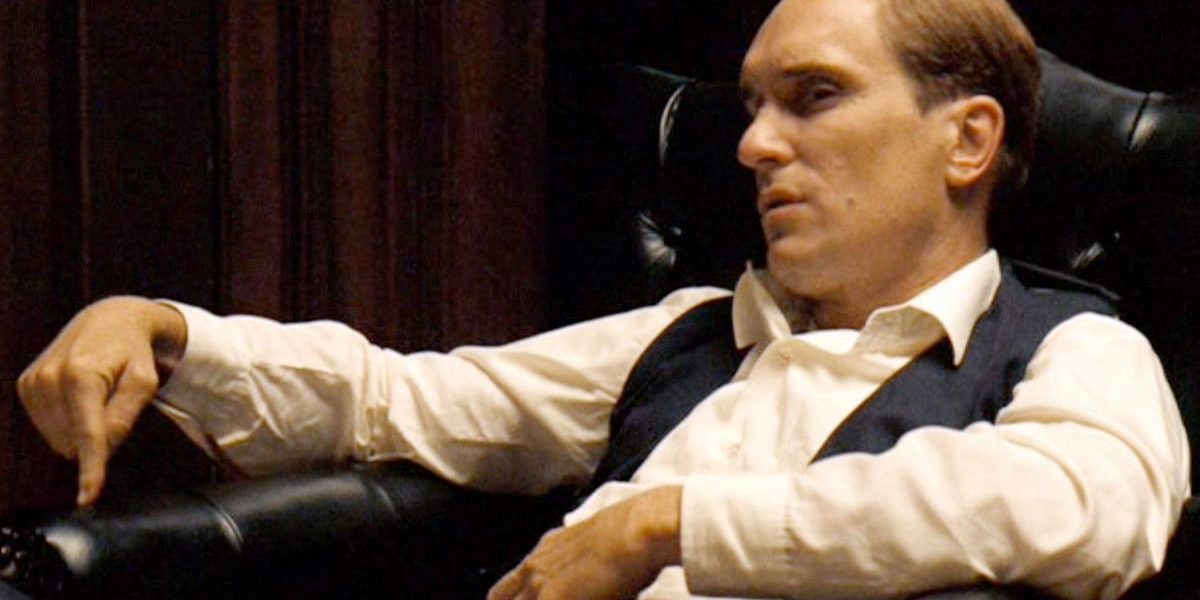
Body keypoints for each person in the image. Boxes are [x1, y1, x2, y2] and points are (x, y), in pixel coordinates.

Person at [16, 0, 1190, 598]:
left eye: (814, 98)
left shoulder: (1072, 348)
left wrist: (668, 526)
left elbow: (1081, 507)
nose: (754, 145)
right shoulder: (688, 334)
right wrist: (165, 332)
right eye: (753, 106)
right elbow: (399, 399)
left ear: (967, 139)